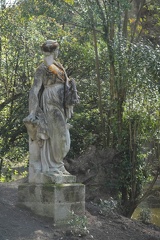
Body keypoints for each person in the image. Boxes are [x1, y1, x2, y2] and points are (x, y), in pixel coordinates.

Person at [24, 40, 79, 176]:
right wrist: (32, 111)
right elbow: (34, 90)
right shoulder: (43, 68)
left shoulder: (57, 66)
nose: (58, 52)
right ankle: (54, 167)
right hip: (50, 102)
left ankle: (57, 166)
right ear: (54, 51)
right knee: (58, 134)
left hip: (59, 104)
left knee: (60, 133)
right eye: (57, 50)